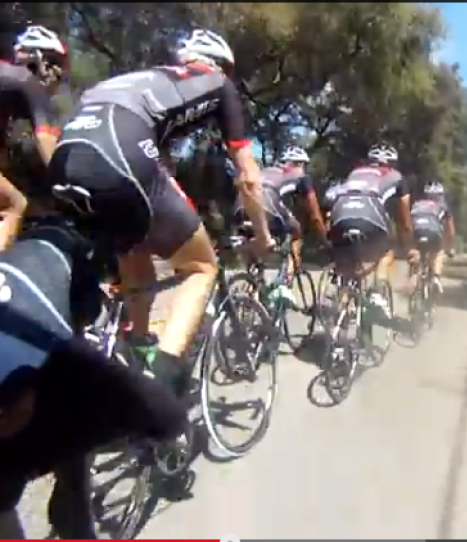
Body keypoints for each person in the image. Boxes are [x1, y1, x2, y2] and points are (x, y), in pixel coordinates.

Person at [47, 28, 274, 398]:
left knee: (140, 272)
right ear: (219, 65)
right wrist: (262, 236)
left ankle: (132, 351)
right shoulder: (218, 83)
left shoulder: (147, 82)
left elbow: (160, 175)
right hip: (121, 149)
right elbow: (249, 178)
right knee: (202, 266)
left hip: (66, 154)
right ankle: (159, 391)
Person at [0, 221, 187, 539]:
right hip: (47, 273)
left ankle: (71, 496)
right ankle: (71, 500)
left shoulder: (62, 363)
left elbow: (163, 413)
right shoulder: (60, 364)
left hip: (58, 279)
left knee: (73, 414)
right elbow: (165, 415)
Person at [326, 143, 418, 317]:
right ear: (392, 163)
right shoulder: (396, 176)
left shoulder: (354, 173)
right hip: (370, 216)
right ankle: (377, 290)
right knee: (388, 250)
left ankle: (340, 312)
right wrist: (409, 247)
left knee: (347, 263)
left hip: (341, 216)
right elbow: (404, 219)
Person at [0, 25, 67, 249]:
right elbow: (47, 146)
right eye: (57, 64)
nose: (59, 74)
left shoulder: (8, 82)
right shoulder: (28, 82)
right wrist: (70, 186)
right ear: (41, 61)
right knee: (14, 205)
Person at [232, 144, 328, 294]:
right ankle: (287, 277)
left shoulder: (265, 171)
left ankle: (251, 282)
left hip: (240, 207)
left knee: (252, 242)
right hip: (267, 206)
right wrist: (325, 239)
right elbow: (314, 214)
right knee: (296, 230)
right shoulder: (300, 176)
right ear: (299, 164)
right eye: (304, 165)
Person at [408, 181, 456, 294]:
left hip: (417, 232)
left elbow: (409, 222)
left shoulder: (416, 204)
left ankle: (414, 275)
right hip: (433, 234)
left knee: (415, 252)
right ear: (440, 195)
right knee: (438, 252)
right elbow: (450, 229)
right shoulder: (442, 206)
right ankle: (436, 277)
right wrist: (449, 247)